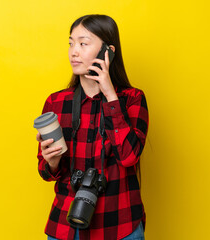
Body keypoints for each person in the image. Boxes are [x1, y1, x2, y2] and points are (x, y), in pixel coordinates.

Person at [36, 14, 149, 240]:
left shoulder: (132, 99)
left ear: (107, 51)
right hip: (65, 226)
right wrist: (52, 161)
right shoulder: (56, 102)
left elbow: (129, 157)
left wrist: (110, 95)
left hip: (119, 224)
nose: (73, 51)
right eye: (71, 43)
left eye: (83, 43)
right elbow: (46, 172)